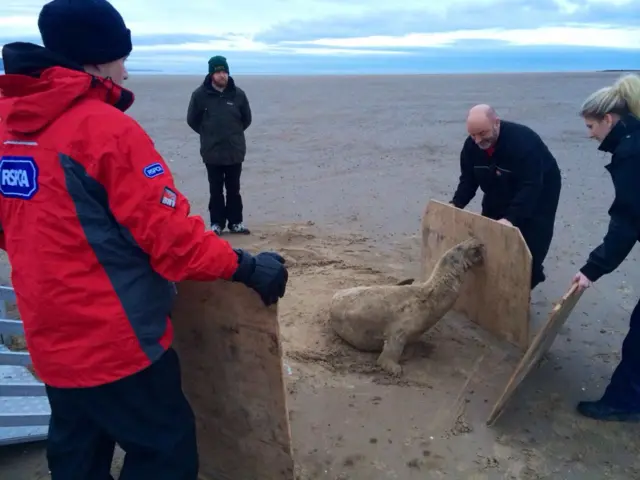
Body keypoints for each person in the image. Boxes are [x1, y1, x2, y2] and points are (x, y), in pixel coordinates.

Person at [0, 0, 287, 478]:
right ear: (96, 60)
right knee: (164, 452)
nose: (127, 72)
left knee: (77, 449)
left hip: (48, 333)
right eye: (120, 58)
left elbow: (13, 231)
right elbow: (173, 239)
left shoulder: (8, 127)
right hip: (116, 343)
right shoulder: (104, 130)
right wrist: (248, 268)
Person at [571, 73, 640, 422]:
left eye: (591, 126)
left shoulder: (632, 152)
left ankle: (624, 403)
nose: (591, 134)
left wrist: (591, 270)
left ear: (608, 120)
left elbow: (628, 221)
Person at [450, 104, 562, 290]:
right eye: (472, 135)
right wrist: (456, 203)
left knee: (531, 244)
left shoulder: (524, 142)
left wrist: (510, 219)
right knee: (489, 240)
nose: (477, 140)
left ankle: (531, 278)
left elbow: (531, 186)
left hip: (540, 189)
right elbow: (468, 180)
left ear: (496, 123)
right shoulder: (471, 147)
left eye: (482, 133)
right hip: (497, 184)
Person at [186, 55, 252, 236]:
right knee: (215, 190)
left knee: (234, 189)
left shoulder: (238, 94)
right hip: (212, 152)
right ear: (211, 74)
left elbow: (246, 119)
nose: (222, 75)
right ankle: (216, 223)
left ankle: (236, 222)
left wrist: (234, 134)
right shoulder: (200, 95)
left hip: (234, 151)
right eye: (218, 72)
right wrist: (209, 134)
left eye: (224, 72)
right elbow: (192, 120)